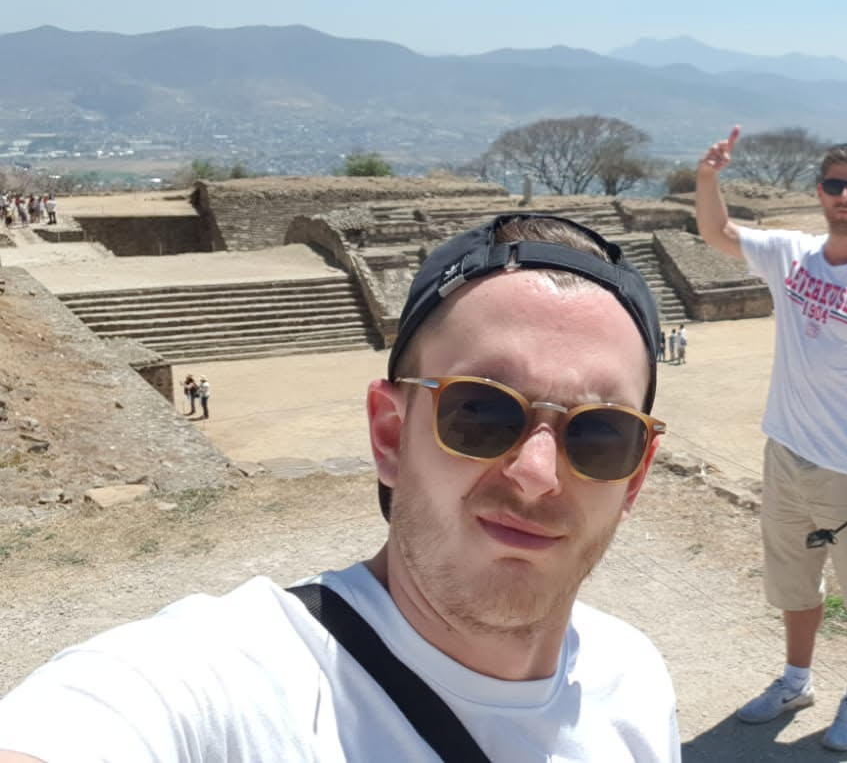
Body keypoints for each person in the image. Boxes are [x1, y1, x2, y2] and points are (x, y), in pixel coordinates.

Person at [0, 213, 681, 762]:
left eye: (601, 434)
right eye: (479, 412)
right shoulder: (217, 686)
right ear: (389, 434)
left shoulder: (637, 683)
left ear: (636, 477)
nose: (535, 473)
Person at [695, 127, 847, 752]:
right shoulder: (791, 254)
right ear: (820, 193)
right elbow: (718, 232)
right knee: (794, 583)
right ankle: (796, 681)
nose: (845, 196)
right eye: (835, 186)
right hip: (786, 453)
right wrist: (708, 177)